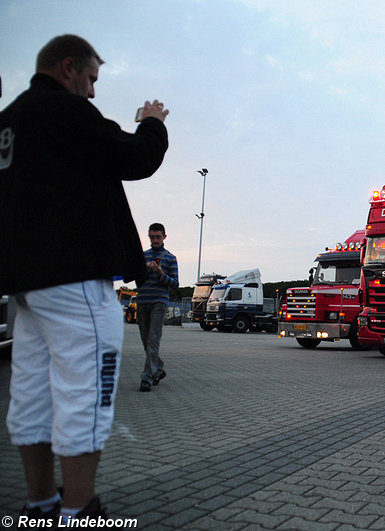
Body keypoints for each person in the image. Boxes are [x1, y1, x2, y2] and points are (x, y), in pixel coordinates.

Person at [0, 35, 169, 522]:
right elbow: (136, 157)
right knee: (85, 395)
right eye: (91, 79)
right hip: (75, 282)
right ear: (68, 67)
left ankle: (40, 503)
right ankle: (78, 511)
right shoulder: (63, 112)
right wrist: (153, 122)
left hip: (27, 288)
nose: (93, 92)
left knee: (30, 392)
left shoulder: (10, 120)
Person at [137, 223, 179, 392]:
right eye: (152, 237)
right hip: (142, 301)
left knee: (153, 339)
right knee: (145, 340)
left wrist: (161, 274)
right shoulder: (142, 257)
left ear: (164, 237)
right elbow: (138, 282)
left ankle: (146, 377)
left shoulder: (170, 258)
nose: (154, 240)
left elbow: (175, 284)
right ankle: (159, 368)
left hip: (159, 302)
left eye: (158, 237)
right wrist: (145, 270)